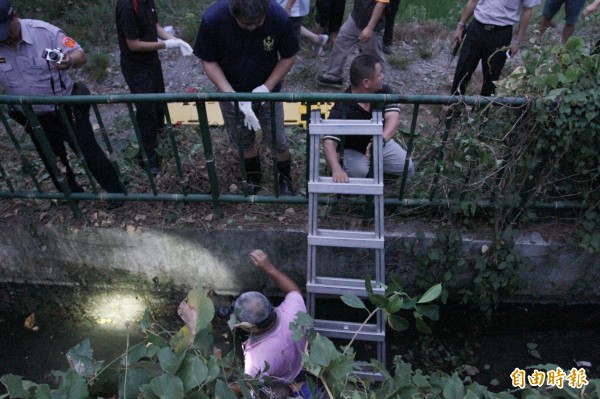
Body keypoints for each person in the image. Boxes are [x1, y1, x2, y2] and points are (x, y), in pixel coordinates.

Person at [0, 0, 125, 209]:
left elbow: (80, 54)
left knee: (88, 152)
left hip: (65, 109)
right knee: (53, 160)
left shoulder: (44, 32)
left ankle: (116, 193)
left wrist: (69, 61)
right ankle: (73, 196)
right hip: (32, 116)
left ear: (15, 17)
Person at [193, 0, 299, 195]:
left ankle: (284, 178)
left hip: (269, 93)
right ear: (233, 14)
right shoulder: (214, 19)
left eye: (258, 23)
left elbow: (288, 56)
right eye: (246, 24)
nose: (252, 28)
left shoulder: (278, 16)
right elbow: (208, 60)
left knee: (278, 140)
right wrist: (229, 93)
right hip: (232, 90)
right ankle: (253, 175)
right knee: (242, 140)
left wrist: (266, 88)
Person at [116, 0, 193, 176]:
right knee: (146, 110)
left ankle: (161, 135)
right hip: (136, 68)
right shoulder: (127, 7)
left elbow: (154, 25)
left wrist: (175, 40)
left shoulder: (146, 1)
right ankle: (147, 158)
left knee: (159, 101)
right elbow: (133, 44)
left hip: (152, 62)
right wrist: (164, 45)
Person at [323, 55, 414, 181]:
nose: (383, 77)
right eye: (379, 74)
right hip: (352, 150)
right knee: (362, 175)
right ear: (366, 82)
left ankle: (384, 176)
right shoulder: (342, 106)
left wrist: (381, 141)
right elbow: (329, 141)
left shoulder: (383, 91)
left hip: (379, 142)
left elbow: (394, 118)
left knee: (407, 166)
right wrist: (336, 168)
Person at [232, 249, 306, 386]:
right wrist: (269, 268)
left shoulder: (257, 361)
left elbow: (247, 385)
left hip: (283, 384)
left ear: (251, 328)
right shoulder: (294, 312)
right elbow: (294, 291)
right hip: (299, 365)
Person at [450, 0, 540, 97]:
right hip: (477, 28)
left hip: (501, 34)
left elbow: (527, 10)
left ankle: (482, 110)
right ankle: (453, 107)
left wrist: (517, 41)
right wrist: (460, 27)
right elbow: (473, 1)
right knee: (462, 70)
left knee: (491, 77)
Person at [317, 0, 388, 87]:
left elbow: (381, 3)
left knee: (373, 55)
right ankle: (333, 76)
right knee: (341, 41)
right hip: (356, 18)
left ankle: (380, 85)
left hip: (373, 25)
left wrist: (370, 28)